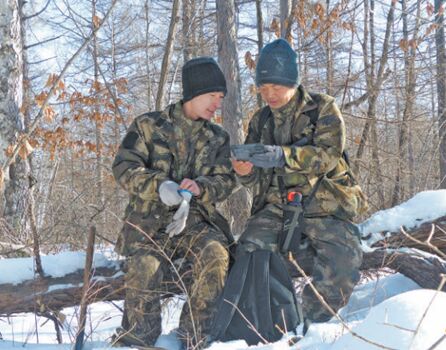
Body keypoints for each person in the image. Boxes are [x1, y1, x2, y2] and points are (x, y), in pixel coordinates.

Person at [231, 39, 367, 334]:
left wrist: (282, 155)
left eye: (275, 87)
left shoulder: (322, 108)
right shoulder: (260, 120)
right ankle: (261, 326)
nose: (269, 95)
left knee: (344, 263)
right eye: (263, 89)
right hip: (276, 207)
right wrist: (244, 171)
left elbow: (329, 155)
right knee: (247, 256)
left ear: (292, 81)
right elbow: (254, 179)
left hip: (324, 205)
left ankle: (305, 325)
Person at [112, 57, 236, 349]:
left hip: (195, 223)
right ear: (193, 93)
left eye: (220, 98)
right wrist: (159, 186)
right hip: (148, 225)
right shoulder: (147, 126)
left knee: (217, 255)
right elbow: (123, 168)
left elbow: (227, 180)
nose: (217, 104)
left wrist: (202, 188)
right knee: (144, 268)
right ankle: (138, 341)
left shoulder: (218, 138)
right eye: (212, 96)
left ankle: (193, 338)